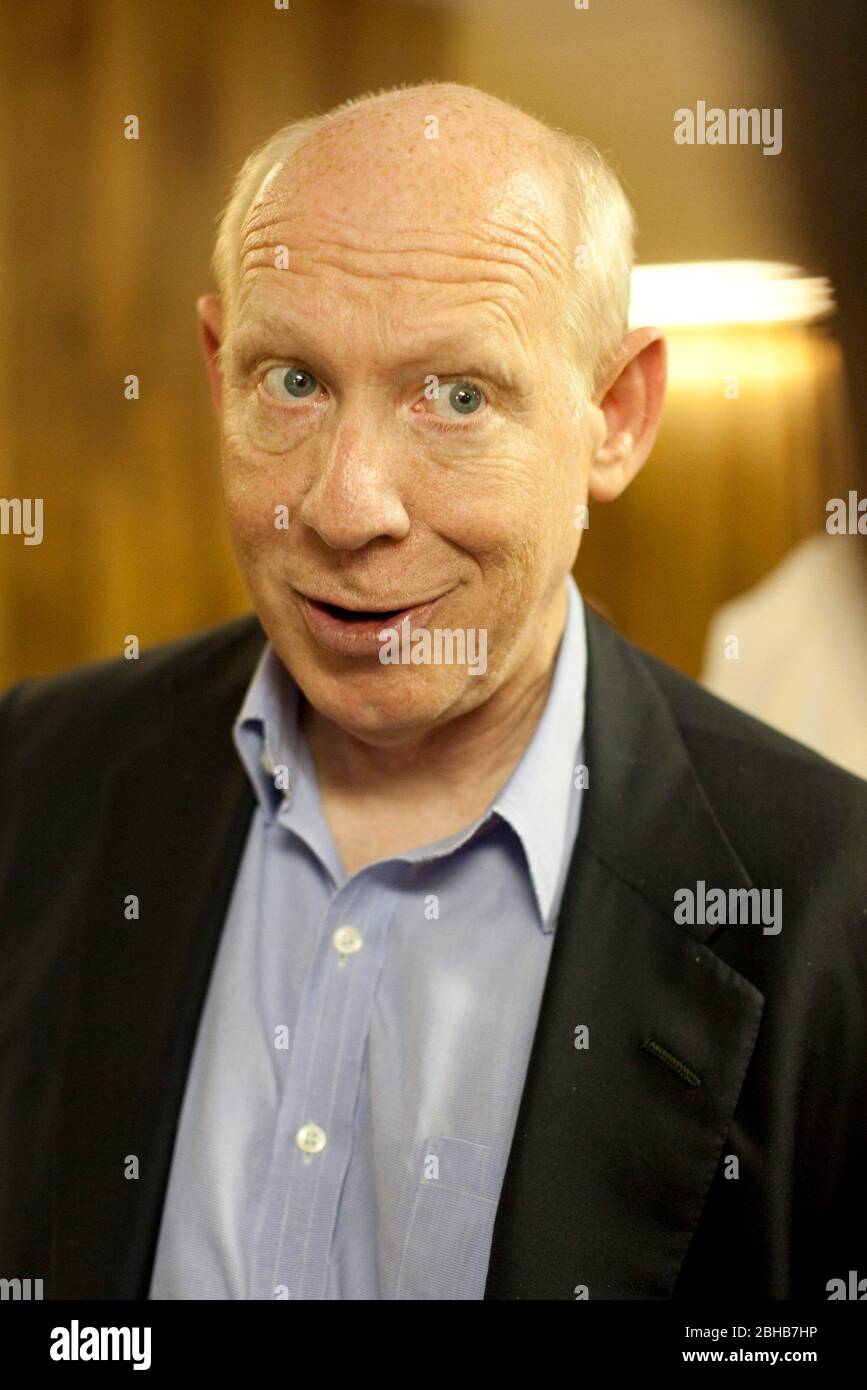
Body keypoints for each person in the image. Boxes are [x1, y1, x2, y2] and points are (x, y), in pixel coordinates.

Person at [0, 82, 864, 1301]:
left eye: (457, 397)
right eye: (292, 381)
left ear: (615, 417)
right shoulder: (36, 776)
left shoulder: (828, 903)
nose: (350, 507)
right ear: (215, 371)